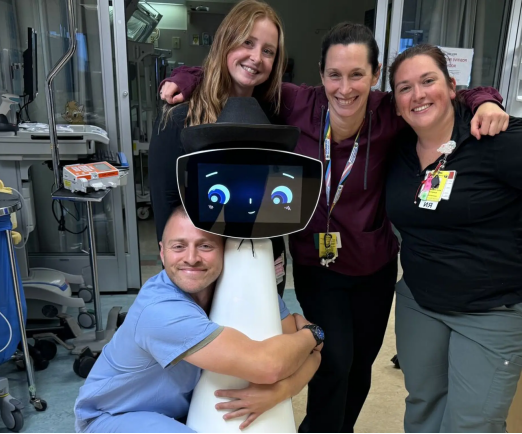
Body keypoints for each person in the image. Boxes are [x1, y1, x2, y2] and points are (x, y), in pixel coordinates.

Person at [159, 23, 508, 433]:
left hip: (374, 267)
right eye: (334, 75)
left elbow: (446, 94)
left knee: (361, 368)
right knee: (334, 362)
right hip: (317, 265)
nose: (345, 88)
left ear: (374, 76)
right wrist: (186, 76)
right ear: (321, 75)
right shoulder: (295, 102)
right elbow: (242, 73)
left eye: (357, 74)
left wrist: (486, 100)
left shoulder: (389, 111)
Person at [74, 206, 323, 433]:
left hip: (179, 413)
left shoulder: (240, 285)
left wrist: (282, 390)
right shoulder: (159, 310)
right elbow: (270, 366)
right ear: (162, 252)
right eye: (178, 246)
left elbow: (310, 357)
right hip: (114, 416)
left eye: (205, 246)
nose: (191, 258)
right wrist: (313, 334)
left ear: (224, 250)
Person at [385, 44, 522, 433]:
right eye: (405, 88)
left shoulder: (495, 138)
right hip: (419, 302)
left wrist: (485, 100)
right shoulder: (399, 147)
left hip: (490, 309)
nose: (418, 94)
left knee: (471, 423)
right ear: (396, 105)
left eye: (428, 81)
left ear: (451, 87)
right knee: (423, 405)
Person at [149, 0, 288, 296]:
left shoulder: (274, 116)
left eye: (268, 51)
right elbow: (167, 207)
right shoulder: (179, 119)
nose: (256, 57)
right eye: (247, 42)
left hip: (261, 261)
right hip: (202, 269)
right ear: (226, 42)